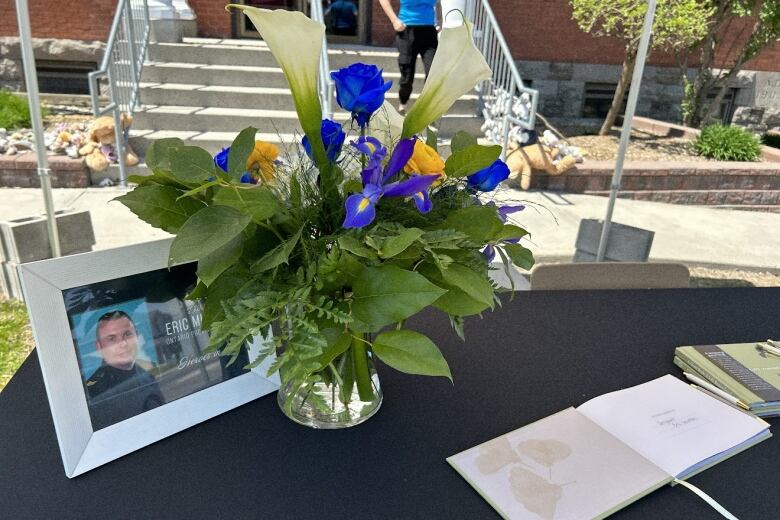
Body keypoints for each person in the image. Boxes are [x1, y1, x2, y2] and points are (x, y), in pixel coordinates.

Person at [85, 310, 164, 429]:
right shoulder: (94, 391)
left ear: (137, 337)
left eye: (128, 334)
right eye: (111, 339)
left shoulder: (147, 373)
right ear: (99, 347)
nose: (123, 343)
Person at [378, 0, 439, 114]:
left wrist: (440, 21)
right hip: (407, 30)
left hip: (429, 32)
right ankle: (403, 105)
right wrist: (394, 20)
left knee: (433, 72)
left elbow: (439, 4)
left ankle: (427, 109)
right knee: (407, 75)